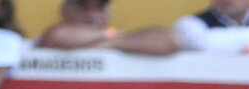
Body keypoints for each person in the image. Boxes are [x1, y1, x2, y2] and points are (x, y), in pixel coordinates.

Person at [36, 0, 180, 56]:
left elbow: (170, 40)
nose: (92, 15)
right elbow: (57, 37)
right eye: (83, 6)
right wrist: (113, 38)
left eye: (100, 8)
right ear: (64, 11)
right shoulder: (54, 34)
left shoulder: (115, 37)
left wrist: (110, 41)